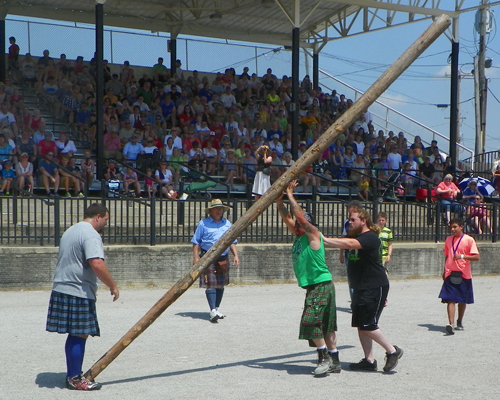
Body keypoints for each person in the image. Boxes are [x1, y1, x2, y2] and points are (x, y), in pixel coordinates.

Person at [46, 204, 119, 391]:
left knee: (75, 333)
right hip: (76, 289)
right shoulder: (91, 234)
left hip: (62, 286)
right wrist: (112, 285)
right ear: (97, 216)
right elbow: (96, 263)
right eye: (105, 219)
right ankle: (75, 378)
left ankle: (72, 375)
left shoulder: (71, 231)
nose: (105, 223)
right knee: (80, 332)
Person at [322, 208, 403, 373]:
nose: (350, 223)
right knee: (361, 324)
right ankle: (369, 360)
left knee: (367, 324)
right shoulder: (354, 236)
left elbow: (349, 244)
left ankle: (392, 351)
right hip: (360, 286)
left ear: (363, 221)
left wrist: (322, 238)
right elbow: (344, 242)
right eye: (349, 220)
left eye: (353, 220)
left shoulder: (370, 237)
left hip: (374, 286)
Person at [276, 180, 341, 376]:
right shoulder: (298, 235)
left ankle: (323, 358)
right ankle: (335, 359)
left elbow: (297, 216)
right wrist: (279, 200)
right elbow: (286, 216)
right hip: (317, 286)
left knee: (310, 320)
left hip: (321, 284)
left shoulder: (314, 234)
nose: (295, 225)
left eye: (299, 222)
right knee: (326, 326)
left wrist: (290, 194)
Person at [191, 199, 239, 322]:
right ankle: (212, 310)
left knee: (221, 284)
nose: (218, 211)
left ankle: (216, 308)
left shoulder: (227, 224)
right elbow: (196, 241)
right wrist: (196, 257)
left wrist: (235, 255)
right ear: (211, 211)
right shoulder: (203, 223)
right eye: (216, 208)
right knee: (211, 284)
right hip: (208, 257)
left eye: (220, 208)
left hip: (223, 257)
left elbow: (232, 241)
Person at [438, 218, 479, 335]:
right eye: (451, 227)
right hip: (450, 273)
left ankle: (459, 321)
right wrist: (444, 270)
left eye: (455, 227)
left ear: (461, 227)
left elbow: (476, 257)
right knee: (450, 299)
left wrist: (462, 256)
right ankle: (450, 324)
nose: (452, 229)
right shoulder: (448, 239)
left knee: (462, 300)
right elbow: (447, 255)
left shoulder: (469, 240)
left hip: (464, 274)